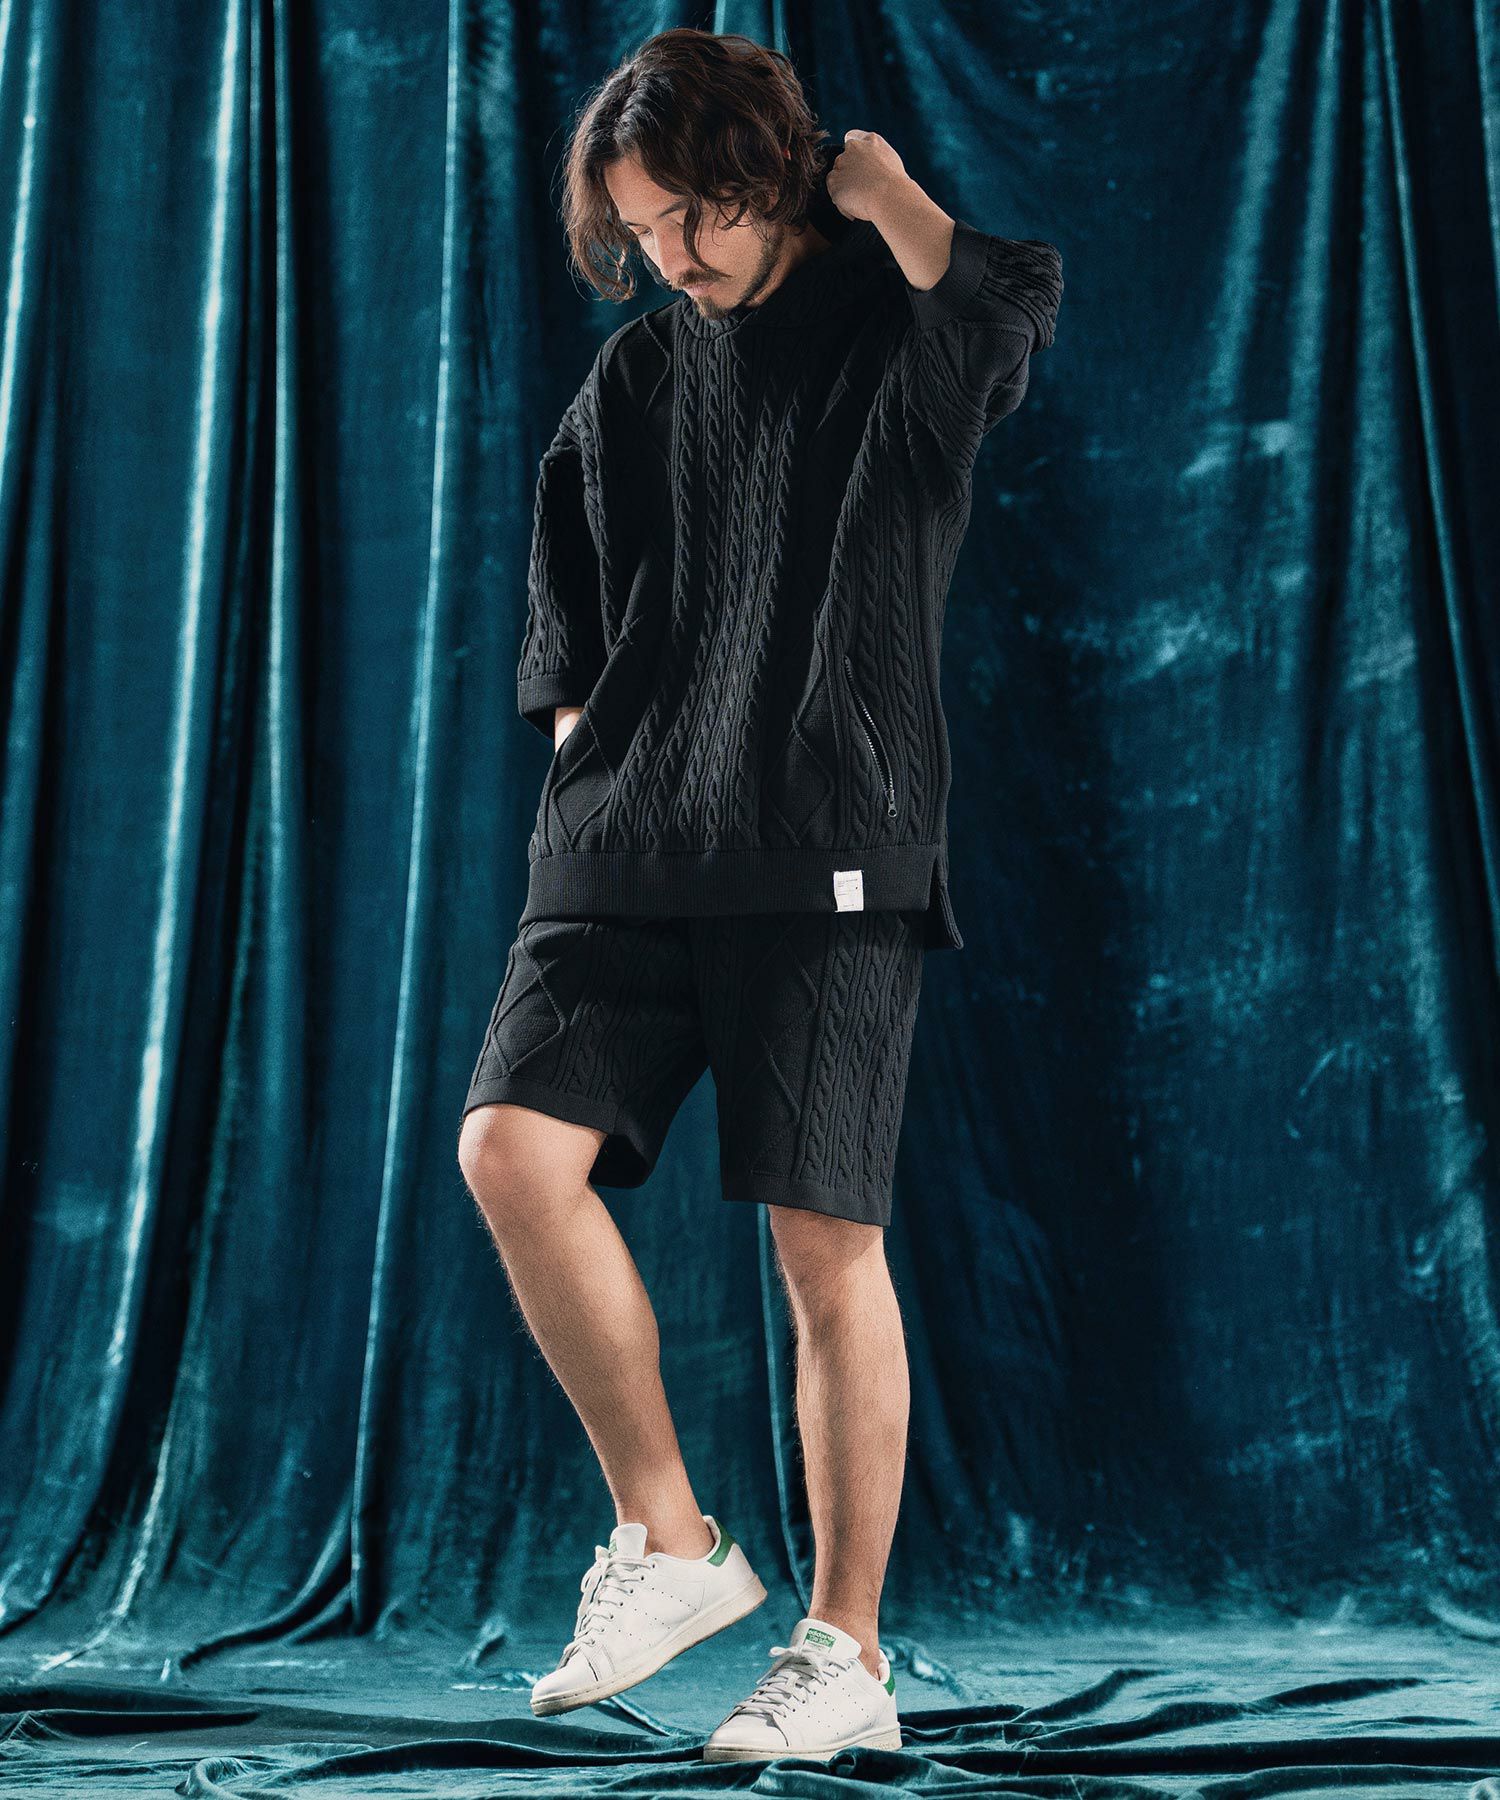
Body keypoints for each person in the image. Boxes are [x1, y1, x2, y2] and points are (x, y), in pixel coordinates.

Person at [456, 25, 1063, 1765]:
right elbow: (563, 597)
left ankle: (844, 1654)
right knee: (511, 1153)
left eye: (697, 214)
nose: (674, 255)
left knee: (822, 1245)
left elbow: (1009, 306)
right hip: (629, 842)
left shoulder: (894, 328)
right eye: (644, 227)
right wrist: (593, 750)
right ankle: (668, 1540)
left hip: (832, 844)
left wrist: (896, 196)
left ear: (771, 171)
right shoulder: (639, 375)